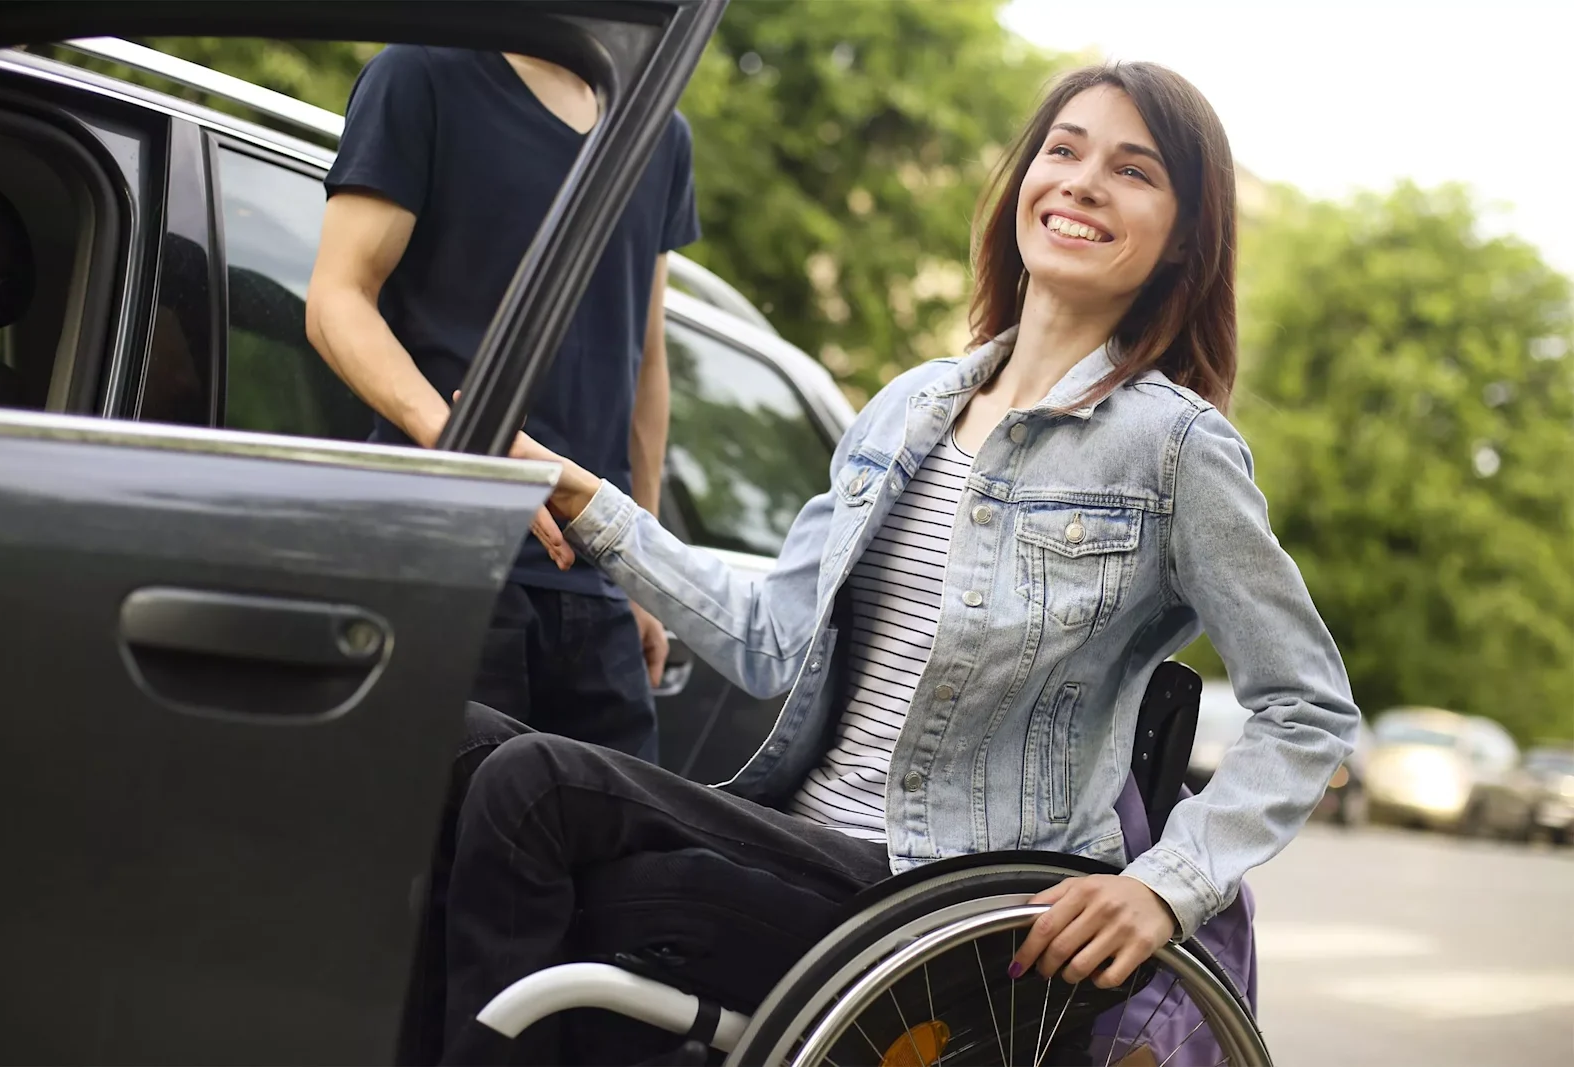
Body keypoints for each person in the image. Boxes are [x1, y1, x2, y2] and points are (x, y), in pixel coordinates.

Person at [443, 61, 1360, 1064]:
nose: (1082, 181)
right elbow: (766, 640)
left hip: (947, 901)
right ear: (1020, 185)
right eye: (1062, 150)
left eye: (1133, 170)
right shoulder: (911, 405)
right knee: (453, 743)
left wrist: (1164, 884)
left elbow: (1307, 708)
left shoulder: (1172, 447)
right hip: (806, 843)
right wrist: (594, 507)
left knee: (535, 787)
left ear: (1184, 237)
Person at [305, 45, 702, 762]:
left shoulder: (658, 129)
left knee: (613, 865)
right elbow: (337, 298)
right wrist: (477, 457)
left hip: (596, 589)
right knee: (453, 862)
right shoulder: (422, 75)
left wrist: (643, 573)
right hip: (448, 560)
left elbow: (646, 362)